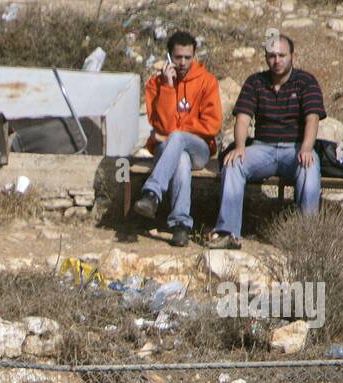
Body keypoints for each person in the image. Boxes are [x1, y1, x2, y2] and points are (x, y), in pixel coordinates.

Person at [207, 34, 325, 249]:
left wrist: (307, 148)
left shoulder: (306, 81)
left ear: (292, 56)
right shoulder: (255, 82)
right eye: (271, 56)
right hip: (263, 147)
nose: (277, 60)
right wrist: (240, 146)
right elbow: (242, 118)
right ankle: (228, 232)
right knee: (233, 163)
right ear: (265, 58)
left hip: (295, 148)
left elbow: (313, 118)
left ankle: (308, 236)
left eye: (282, 55)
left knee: (310, 164)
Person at [131, 31, 222, 247]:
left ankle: (152, 193)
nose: (182, 63)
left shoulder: (207, 82)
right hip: (169, 150)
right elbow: (161, 125)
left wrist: (179, 131)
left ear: (194, 56)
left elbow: (212, 125)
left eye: (187, 57)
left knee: (178, 138)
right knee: (180, 159)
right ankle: (180, 226)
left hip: (199, 147)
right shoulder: (156, 84)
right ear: (170, 56)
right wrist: (169, 88)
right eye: (178, 57)